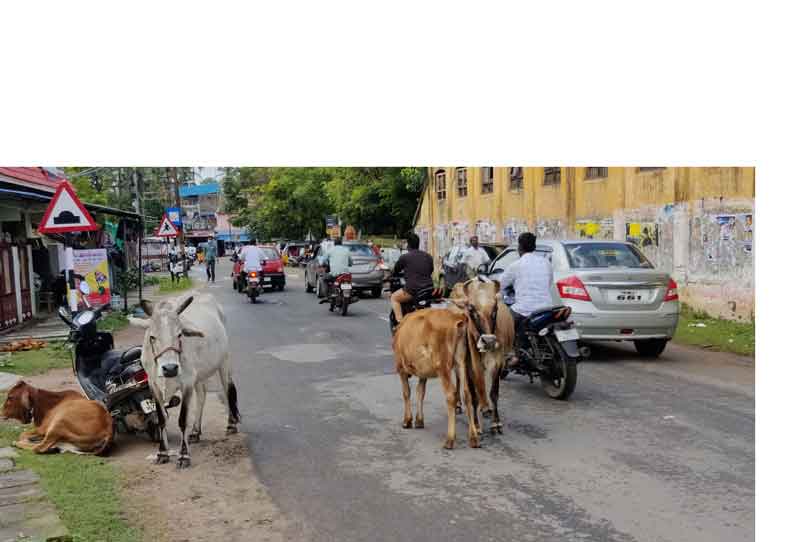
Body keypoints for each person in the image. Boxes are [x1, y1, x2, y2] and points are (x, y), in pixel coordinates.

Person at [499, 232, 553, 365]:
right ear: (534, 247)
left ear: (519, 247)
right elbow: (549, 282)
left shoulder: (516, 265)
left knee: (503, 321)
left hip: (525, 309)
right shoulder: (546, 262)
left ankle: (515, 355)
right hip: (547, 308)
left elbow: (500, 284)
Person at [390, 232, 434, 323]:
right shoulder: (428, 256)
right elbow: (430, 270)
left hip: (413, 289)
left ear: (408, 244)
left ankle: (400, 324)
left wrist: (391, 274)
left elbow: (396, 270)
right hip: (429, 288)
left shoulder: (405, 257)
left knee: (394, 298)